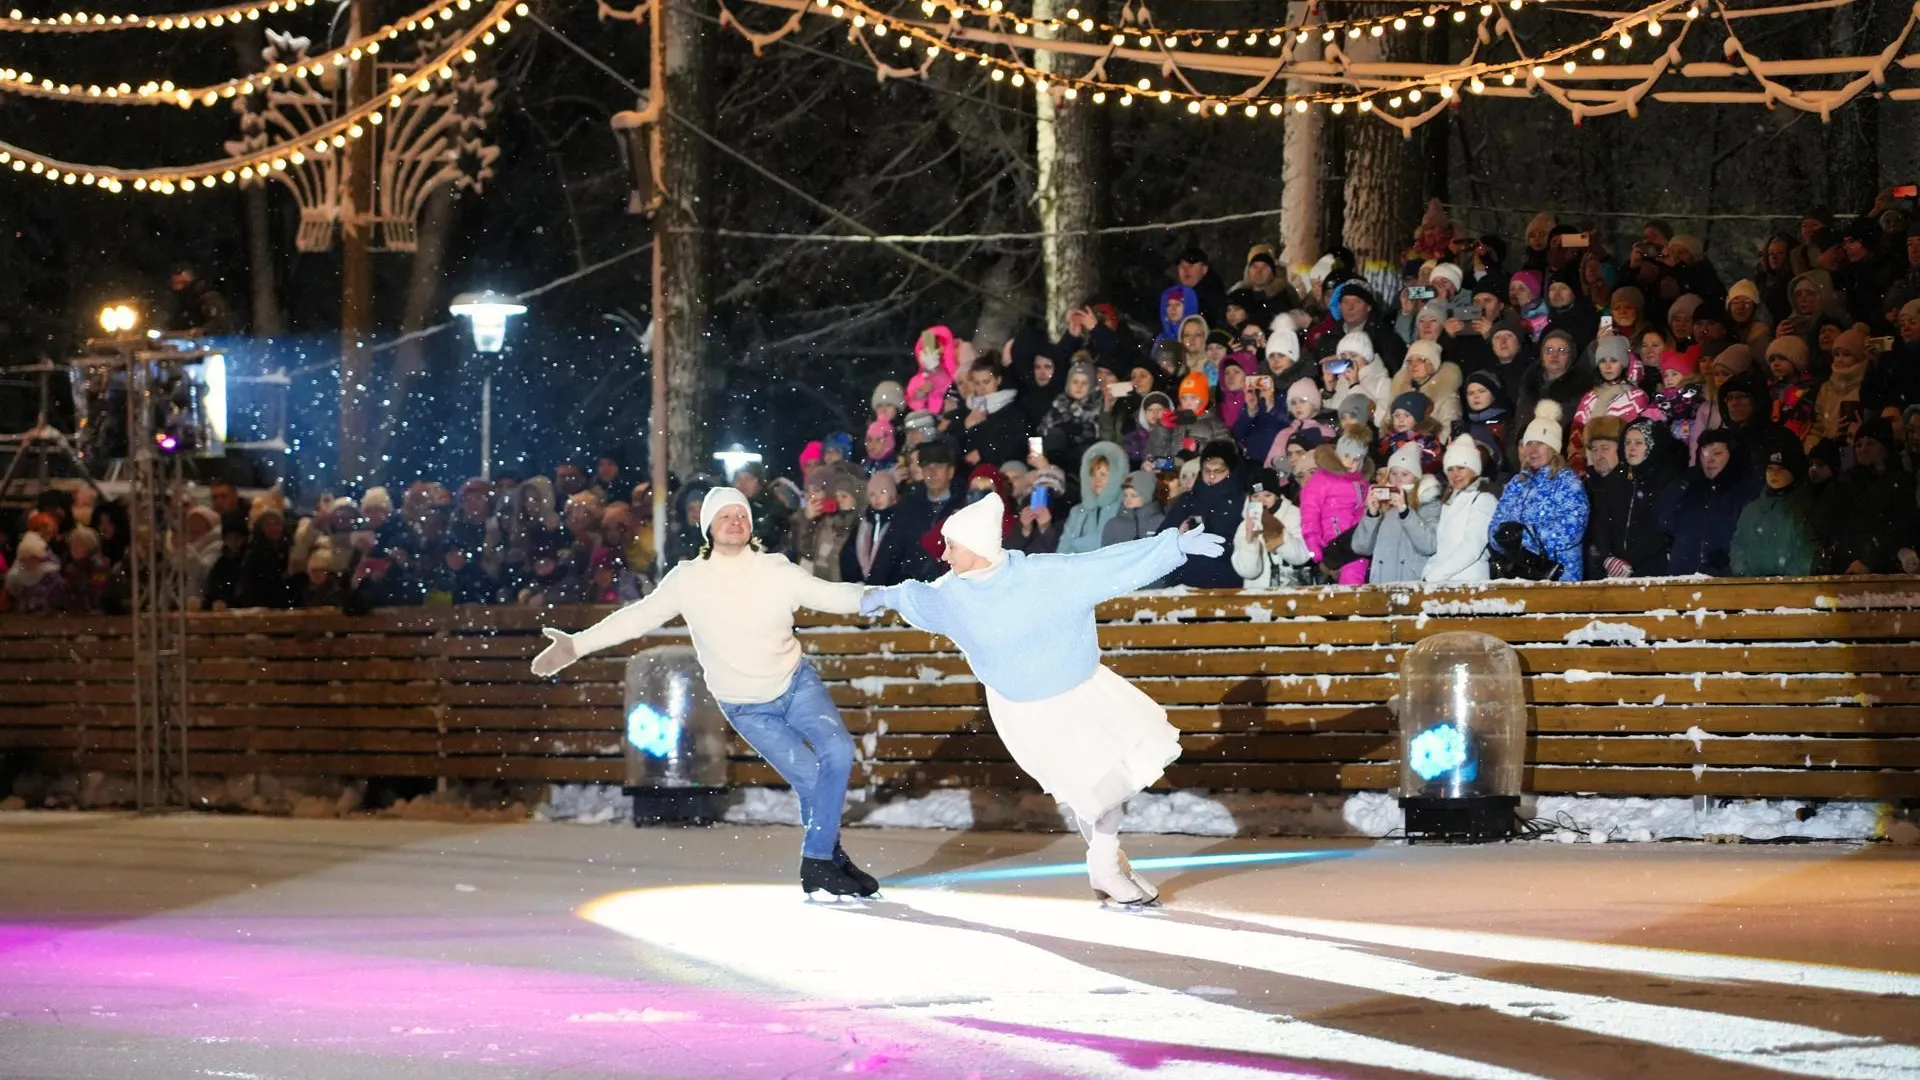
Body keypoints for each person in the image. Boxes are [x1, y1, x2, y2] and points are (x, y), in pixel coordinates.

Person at [860, 493, 1227, 906]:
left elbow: (1105, 565)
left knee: (1106, 786)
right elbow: (916, 596)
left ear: (978, 546)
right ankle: (1107, 864)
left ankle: (1106, 863)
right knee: (1088, 791)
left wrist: (1170, 547)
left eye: (953, 546)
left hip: (1079, 695)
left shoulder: (1044, 575)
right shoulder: (951, 594)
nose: (943, 555)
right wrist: (882, 597)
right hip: (1023, 711)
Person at [530, 489, 879, 899]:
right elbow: (638, 617)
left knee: (837, 752)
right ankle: (826, 856)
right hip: (747, 707)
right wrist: (577, 645)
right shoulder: (688, 579)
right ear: (708, 527)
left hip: (797, 683)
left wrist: (883, 596)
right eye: (724, 516)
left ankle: (819, 859)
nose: (735, 521)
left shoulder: (775, 569)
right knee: (811, 777)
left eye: (741, 515)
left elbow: (830, 595)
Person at [1350, 444, 1442, 584]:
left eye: (1405, 474)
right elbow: (1360, 547)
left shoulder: (1429, 503)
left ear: (1416, 478)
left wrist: (1405, 512)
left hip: (1413, 586)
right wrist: (1372, 514)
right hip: (1382, 585)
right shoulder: (1383, 504)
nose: (1398, 480)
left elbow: (1429, 545)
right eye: (1393, 474)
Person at [1423, 435, 1499, 582]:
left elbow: (1472, 547)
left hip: (1469, 583)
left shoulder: (1484, 500)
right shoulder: (1449, 503)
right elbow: (1443, 549)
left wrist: (1436, 576)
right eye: (1450, 469)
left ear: (1474, 469)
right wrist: (1428, 572)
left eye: (1461, 467)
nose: (1455, 474)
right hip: (1445, 584)